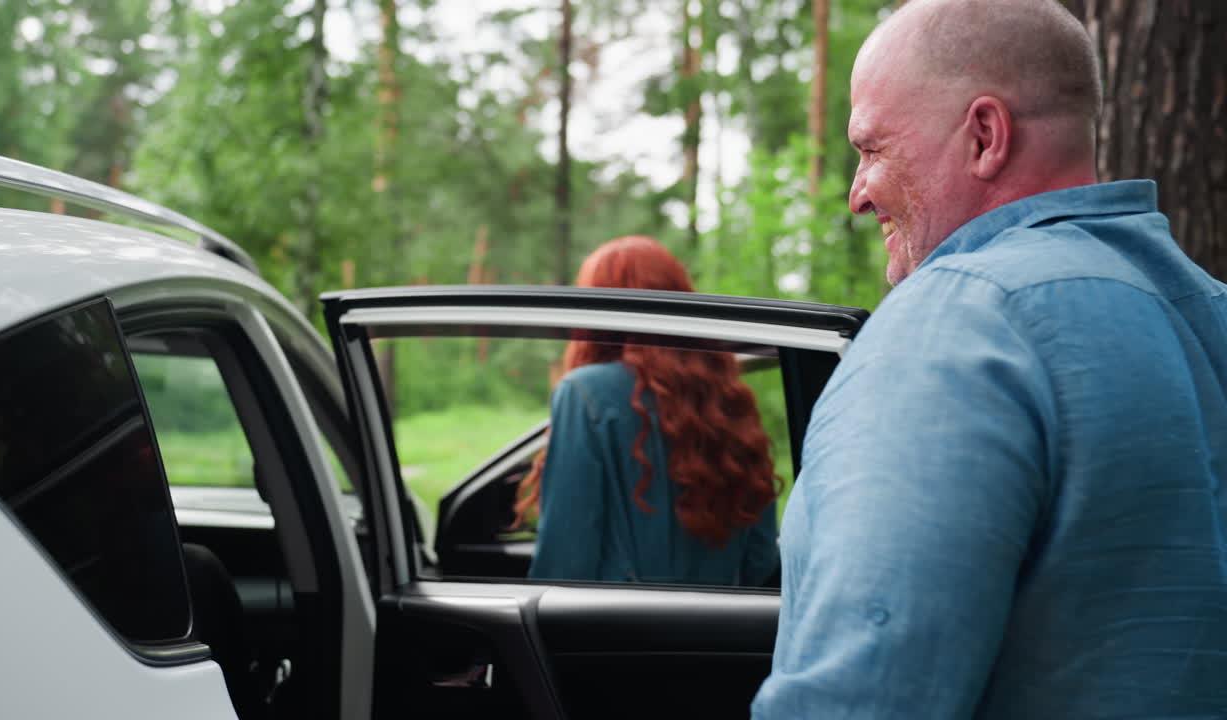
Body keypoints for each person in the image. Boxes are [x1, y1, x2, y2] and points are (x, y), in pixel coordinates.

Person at [752, 0, 1227, 717]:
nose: (856, 194)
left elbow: (865, 697)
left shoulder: (951, 329)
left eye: (872, 148)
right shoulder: (1208, 309)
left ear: (984, 135)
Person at [515, 235, 780, 586]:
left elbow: (565, 562)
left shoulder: (585, 393)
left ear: (595, 313)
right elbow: (761, 561)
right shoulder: (731, 402)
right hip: (723, 633)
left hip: (618, 632)